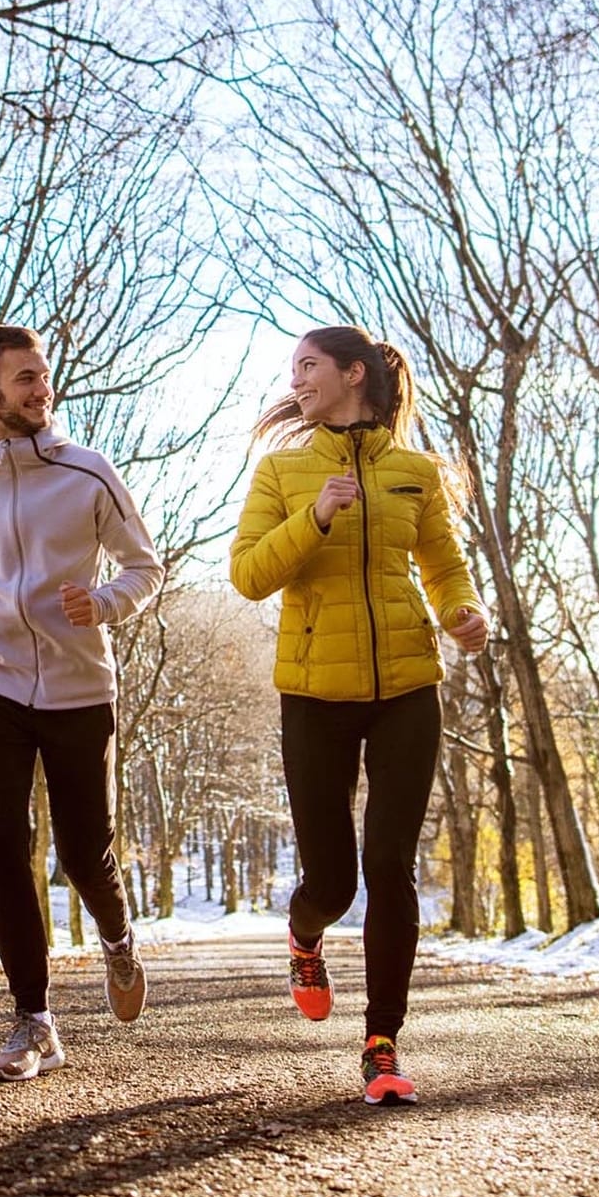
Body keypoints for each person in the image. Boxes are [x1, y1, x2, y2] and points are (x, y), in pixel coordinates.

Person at [228, 325, 490, 1107]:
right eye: (294, 370)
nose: (297, 380)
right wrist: (312, 517)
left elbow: (442, 563)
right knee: (335, 881)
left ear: (352, 373)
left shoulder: (414, 473)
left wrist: (463, 610)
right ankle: (305, 934)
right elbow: (246, 575)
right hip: (313, 693)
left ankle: (383, 1040)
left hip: (408, 684)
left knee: (390, 865)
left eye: (308, 365)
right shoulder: (282, 471)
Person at [0, 324, 165, 1082]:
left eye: (43, 375)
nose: (41, 389)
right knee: (2, 842)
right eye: (24, 378)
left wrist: (105, 601)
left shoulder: (89, 474)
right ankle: (34, 1019)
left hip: (81, 686)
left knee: (85, 852)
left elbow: (145, 566)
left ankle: (116, 937)